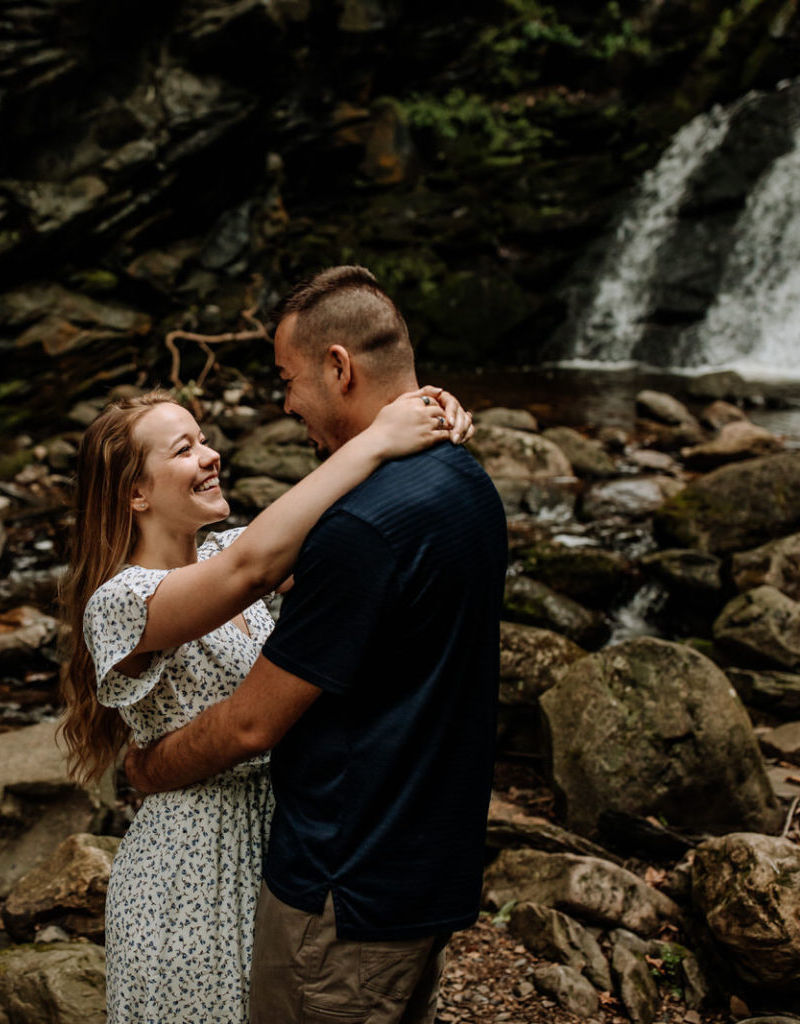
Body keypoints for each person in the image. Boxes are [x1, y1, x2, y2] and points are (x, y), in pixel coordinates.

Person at [124, 265, 509, 1024]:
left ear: (339, 368)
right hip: (429, 867)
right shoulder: (467, 481)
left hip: (346, 881)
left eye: (288, 379)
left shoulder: (358, 530)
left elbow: (250, 723)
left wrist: (149, 766)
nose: (285, 402)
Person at [58, 378, 473, 1023]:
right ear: (135, 494)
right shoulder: (120, 601)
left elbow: (351, 534)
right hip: (193, 867)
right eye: (183, 450)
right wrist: (378, 438)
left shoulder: (226, 547)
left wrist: (424, 414)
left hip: (284, 840)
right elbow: (252, 568)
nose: (210, 456)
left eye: (205, 440)